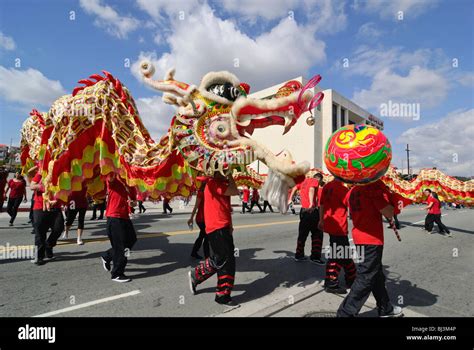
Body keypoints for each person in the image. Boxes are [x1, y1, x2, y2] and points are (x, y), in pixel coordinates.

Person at [337, 180, 403, 317]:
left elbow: (347, 207)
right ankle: (345, 313)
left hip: (359, 237)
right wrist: (393, 198)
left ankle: (385, 308)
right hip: (371, 240)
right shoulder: (373, 189)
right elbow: (388, 213)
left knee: (376, 274)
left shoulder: (352, 191)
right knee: (366, 277)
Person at [188, 172, 240, 306]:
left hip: (222, 227)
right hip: (217, 227)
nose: (226, 172)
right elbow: (235, 191)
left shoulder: (220, 183)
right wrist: (230, 176)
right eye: (224, 169)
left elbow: (225, 208)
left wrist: (230, 225)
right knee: (226, 262)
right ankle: (222, 295)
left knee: (219, 259)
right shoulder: (212, 183)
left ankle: (196, 275)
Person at [319, 179, 356, 294]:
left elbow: (321, 204)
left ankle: (351, 278)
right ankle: (331, 282)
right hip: (339, 225)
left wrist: (321, 220)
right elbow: (352, 208)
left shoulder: (327, 186)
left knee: (344, 253)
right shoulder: (343, 189)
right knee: (338, 254)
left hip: (330, 224)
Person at [100, 174, 138, 283]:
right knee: (121, 246)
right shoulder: (115, 180)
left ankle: (107, 256)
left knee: (132, 240)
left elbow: (135, 203)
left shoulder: (132, 185)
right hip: (114, 217)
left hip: (125, 217)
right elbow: (109, 172)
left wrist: (132, 203)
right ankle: (117, 274)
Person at [288, 173, 325, 264]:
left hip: (303, 210)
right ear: (319, 179)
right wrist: (311, 203)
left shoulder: (303, 181)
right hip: (311, 210)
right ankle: (315, 257)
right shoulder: (314, 182)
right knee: (317, 234)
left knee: (302, 234)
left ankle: (299, 255)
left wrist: (290, 198)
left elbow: (295, 188)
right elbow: (311, 190)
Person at [30, 172, 64, 265]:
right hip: (40, 207)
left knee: (59, 228)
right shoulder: (41, 172)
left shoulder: (62, 174)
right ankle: (39, 256)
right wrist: (44, 187)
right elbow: (32, 186)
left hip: (56, 207)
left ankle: (49, 245)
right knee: (40, 233)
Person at [188, 178, 210, 259]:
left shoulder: (208, 193)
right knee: (207, 237)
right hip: (201, 219)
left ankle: (194, 252)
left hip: (206, 218)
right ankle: (207, 256)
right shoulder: (201, 193)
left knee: (202, 236)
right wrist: (191, 218)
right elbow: (196, 207)